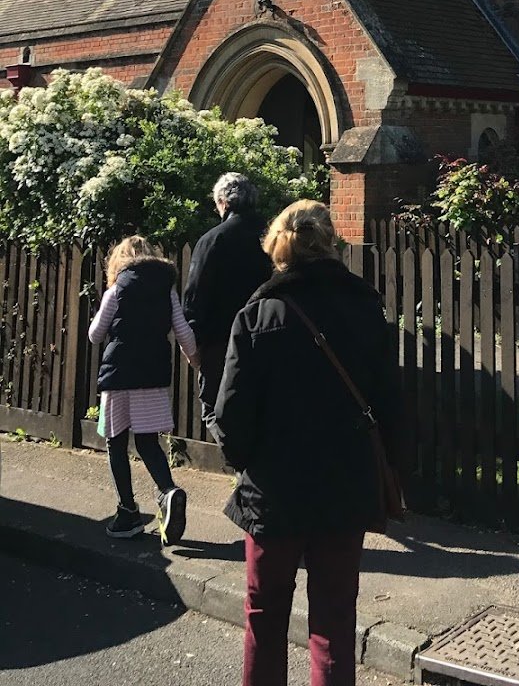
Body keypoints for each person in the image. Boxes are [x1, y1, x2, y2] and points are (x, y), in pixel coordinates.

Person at [215, 201, 403, 686]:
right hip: (344, 485)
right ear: (331, 244)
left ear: (278, 248)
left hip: (275, 489)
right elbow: (391, 402)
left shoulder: (258, 314)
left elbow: (231, 414)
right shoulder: (366, 306)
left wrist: (247, 462)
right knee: (334, 618)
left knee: (264, 612)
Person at [88, 235, 199, 542]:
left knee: (116, 442)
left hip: (119, 373)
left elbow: (96, 334)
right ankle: (168, 490)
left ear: (119, 260)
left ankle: (127, 512)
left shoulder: (119, 287)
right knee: (148, 442)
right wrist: (195, 360)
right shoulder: (167, 288)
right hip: (152, 374)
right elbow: (183, 331)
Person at [182, 172, 271, 441]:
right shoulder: (272, 237)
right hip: (268, 337)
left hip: (221, 341)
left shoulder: (213, 240)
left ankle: (242, 471)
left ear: (223, 202)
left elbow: (195, 297)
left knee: (215, 409)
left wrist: (193, 345)